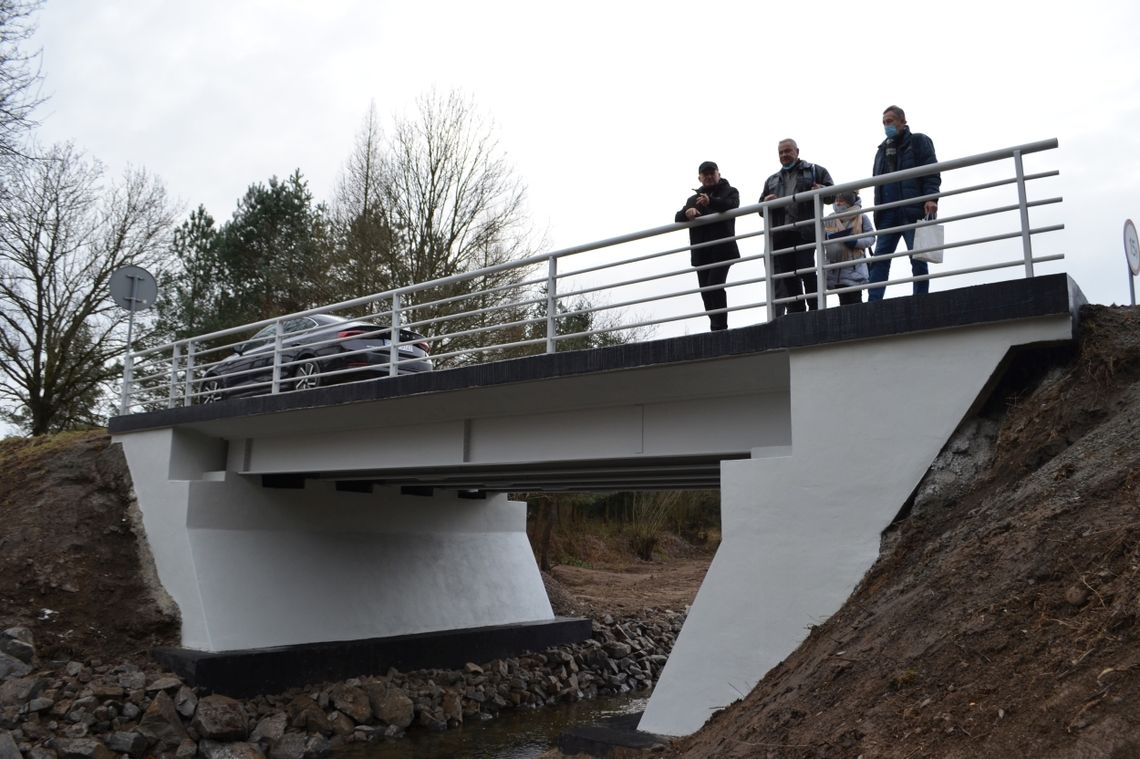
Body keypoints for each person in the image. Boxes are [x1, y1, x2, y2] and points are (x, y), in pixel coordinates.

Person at [867, 105, 941, 301]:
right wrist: (879, 213)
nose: (886, 126)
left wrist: (931, 198)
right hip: (888, 213)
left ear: (902, 121)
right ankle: (873, 302)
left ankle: (920, 299)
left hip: (911, 208)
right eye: (884, 122)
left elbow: (931, 172)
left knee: (918, 258)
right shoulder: (881, 150)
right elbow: (878, 185)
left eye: (889, 121)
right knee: (880, 259)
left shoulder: (918, 141)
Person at [761, 139, 834, 315]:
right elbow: (761, 210)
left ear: (797, 151)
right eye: (781, 152)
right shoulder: (771, 180)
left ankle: (815, 309)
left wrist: (821, 189)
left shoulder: (815, 170)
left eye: (788, 151)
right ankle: (796, 312)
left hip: (805, 231)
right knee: (787, 275)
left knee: (806, 269)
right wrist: (765, 202)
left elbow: (832, 196)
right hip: (781, 233)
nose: (784, 155)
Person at [675, 161, 741, 331]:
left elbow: (730, 205)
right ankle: (715, 327)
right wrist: (687, 213)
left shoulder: (730, 191)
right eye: (706, 174)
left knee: (714, 286)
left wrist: (710, 201)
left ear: (719, 174)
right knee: (706, 292)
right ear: (700, 178)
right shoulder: (693, 198)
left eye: (712, 173)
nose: (709, 177)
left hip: (722, 250)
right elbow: (678, 217)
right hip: (701, 253)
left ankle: (720, 328)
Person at [822, 190, 875, 306]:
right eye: (836, 200)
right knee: (844, 303)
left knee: (856, 301)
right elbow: (819, 240)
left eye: (842, 200)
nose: (838, 203)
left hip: (855, 267)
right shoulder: (828, 220)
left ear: (850, 202)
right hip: (836, 269)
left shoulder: (862, 217)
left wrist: (856, 242)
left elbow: (871, 238)